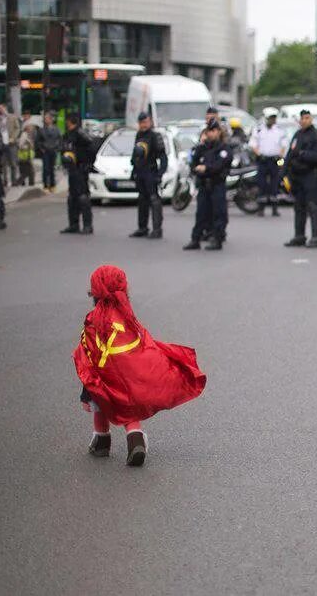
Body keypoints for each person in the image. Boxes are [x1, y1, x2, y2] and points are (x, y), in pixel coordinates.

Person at [73, 265, 206, 466]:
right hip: (128, 374)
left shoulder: (93, 320)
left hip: (103, 375)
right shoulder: (127, 317)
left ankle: (101, 439)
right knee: (127, 403)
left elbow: (87, 351)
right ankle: (135, 437)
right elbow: (142, 343)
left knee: (101, 396)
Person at [183, 120, 232, 251]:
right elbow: (193, 163)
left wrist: (205, 168)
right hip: (204, 185)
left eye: (213, 131)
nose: (210, 134)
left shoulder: (224, 148)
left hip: (217, 184)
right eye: (209, 131)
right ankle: (195, 239)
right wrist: (198, 168)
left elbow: (219, 165)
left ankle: (217, 239)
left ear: (218, 132)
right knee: (201, 214)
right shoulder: (202, 148)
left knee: (218, 213)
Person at [283, 110, 317, 248]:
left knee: (313, 206)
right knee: (299, 206)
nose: (304, 121)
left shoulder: (316, 135)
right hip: (297, 176)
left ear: (311, 119)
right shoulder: (298, 134)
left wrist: (302, 154)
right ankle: (299, 235)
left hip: (310, 174)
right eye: (302, 118)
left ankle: (316, 236)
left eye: (307, 118)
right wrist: (283, 172)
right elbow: (290, 153)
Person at [128, 113, 168, 239]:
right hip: (140, 172)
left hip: (151, 172)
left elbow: (163, 157)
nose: (143, 125)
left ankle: (157, 229)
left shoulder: (155, 136)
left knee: (154, 200)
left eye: (145, 122)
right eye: (141, 122)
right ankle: (142, 227)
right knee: (142, 200)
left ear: (150, 122)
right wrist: (133, 170)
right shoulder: (139, 135)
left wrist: (160, 173)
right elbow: (136, 154)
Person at [60, 113, 95, 235]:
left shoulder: (80, 134)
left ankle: (87, 225)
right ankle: (73, 224)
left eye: (68, 121)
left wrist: (87, 163)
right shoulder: (67, 135)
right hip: (72, 169)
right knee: (72, 197)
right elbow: (64, 149)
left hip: (80, 169)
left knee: (83, 197)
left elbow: (91, 147)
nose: (66, 123)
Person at [249, 107, 286, 217]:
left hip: (275, 160)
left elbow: (284, 145)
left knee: (275, 183)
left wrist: (280, 156)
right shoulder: (259, 130)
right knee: (262, 184)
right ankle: (261, 208)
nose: (272, 120)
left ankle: (274, 208)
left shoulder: (279, 130)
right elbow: (253, 144)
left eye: (274, 118)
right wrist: (259, 154)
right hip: (263, 160)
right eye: (270, 118)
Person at [36, 111, 61, 192]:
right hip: (45, 151)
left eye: (47, 118)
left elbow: (59, 139)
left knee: (52, 168)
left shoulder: (56, 129)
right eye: (45, 118)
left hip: (53, 151)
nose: (45, 120)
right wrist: (42, 149)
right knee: (46, 169)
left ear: (51, 120)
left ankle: (53, 185)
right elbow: (38, 141)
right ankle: (46, 185)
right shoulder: (41, 130)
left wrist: (57, 149)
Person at [0, 103, 21, 186]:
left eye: (1, 108)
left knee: (13, 163)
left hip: (11, 143)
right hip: (2, 143)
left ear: (5, 108)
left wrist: (13, 138)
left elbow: (17, 128)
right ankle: (5, 181)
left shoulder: (13, 117)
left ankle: (14, 181)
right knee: (3, 163)